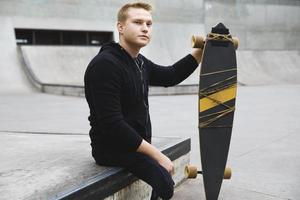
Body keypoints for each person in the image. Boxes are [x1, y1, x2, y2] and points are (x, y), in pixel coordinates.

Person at [84, 2, 203, 199]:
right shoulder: (105, 65)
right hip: (111, 149)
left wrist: (201, 52)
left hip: (132, 145)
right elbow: (113, 124)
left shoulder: (138, 61)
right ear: (120, 27)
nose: (145, 28)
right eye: (138, 22)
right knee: (165, 183)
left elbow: (170, 75)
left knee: (163, 179)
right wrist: (157, 155)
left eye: (149, 23)